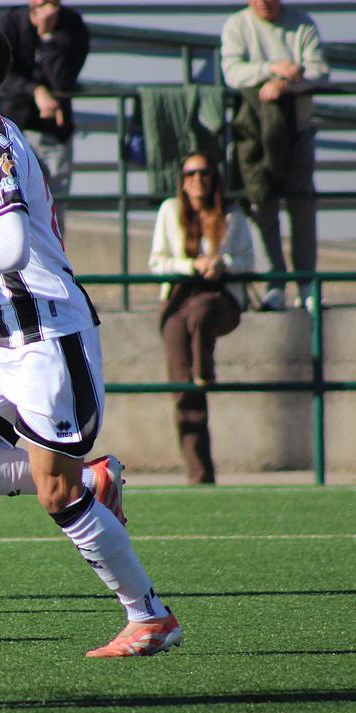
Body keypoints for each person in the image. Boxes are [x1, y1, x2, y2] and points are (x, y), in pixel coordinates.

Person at [0, 14, 180, 658]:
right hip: (0, 340)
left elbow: (14, 247)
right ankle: (90, 478)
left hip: (48, 337)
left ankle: (148, 615)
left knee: (56, 495)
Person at [221, 0, 329, 311]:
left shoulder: (302, 24)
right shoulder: (237, 25)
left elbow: (318, 70)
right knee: (262, 206)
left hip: (297, 133)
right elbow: (232, 72)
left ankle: (307, 284)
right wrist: (272, 69)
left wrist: (286, 85)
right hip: (253, 137)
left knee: (302, 208)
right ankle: (275, 284)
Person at [149, 152, 254, 484]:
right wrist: (191, 266)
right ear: (182, 181)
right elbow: (157, 262)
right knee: (183, 390)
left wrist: (222, 263)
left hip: (219, 296)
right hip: (178, 296)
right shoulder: (170, 210)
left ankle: (204, 369)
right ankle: (199, 473)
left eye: (204, 173)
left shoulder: (233, 214)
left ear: (214, 178)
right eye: (190, 174)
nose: (197, 179)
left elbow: (248, 261)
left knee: (202, 311)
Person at [0, 0, 89, 235]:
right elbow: (2, 75)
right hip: (14, 130)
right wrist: (36, 91)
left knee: (54, 211)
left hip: (54, 133)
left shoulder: (73, 27)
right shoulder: (10, 23)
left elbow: (63, 81)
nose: (41, 1)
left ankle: (53, 260)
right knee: (13, 205)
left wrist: (48, 37)